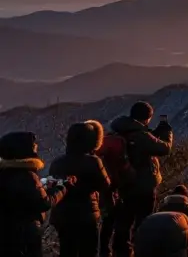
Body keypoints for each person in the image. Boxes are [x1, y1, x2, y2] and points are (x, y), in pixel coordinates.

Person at [110, 102, 173, 257]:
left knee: (123, 222)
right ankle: (142, 251)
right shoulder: (141, 136)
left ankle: (121, 252)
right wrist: (167, 133)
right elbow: (165, 148)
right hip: (143, 186)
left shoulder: (119, 131)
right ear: (147, 118)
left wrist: (153, 133)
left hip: (124, 185)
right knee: (144, 222)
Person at [0, 131, 72, 257]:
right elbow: (44, 203)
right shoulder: (27, 176)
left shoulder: (4, 172)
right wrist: (62, 187)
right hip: (26, 234)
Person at [50, 121, 112, 257]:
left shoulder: (57, 162)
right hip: (87, 215)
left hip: (63, 216)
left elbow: (52, 187)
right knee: (89, 251)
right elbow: (106, 186)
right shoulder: (93, 161)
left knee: (67, 251)